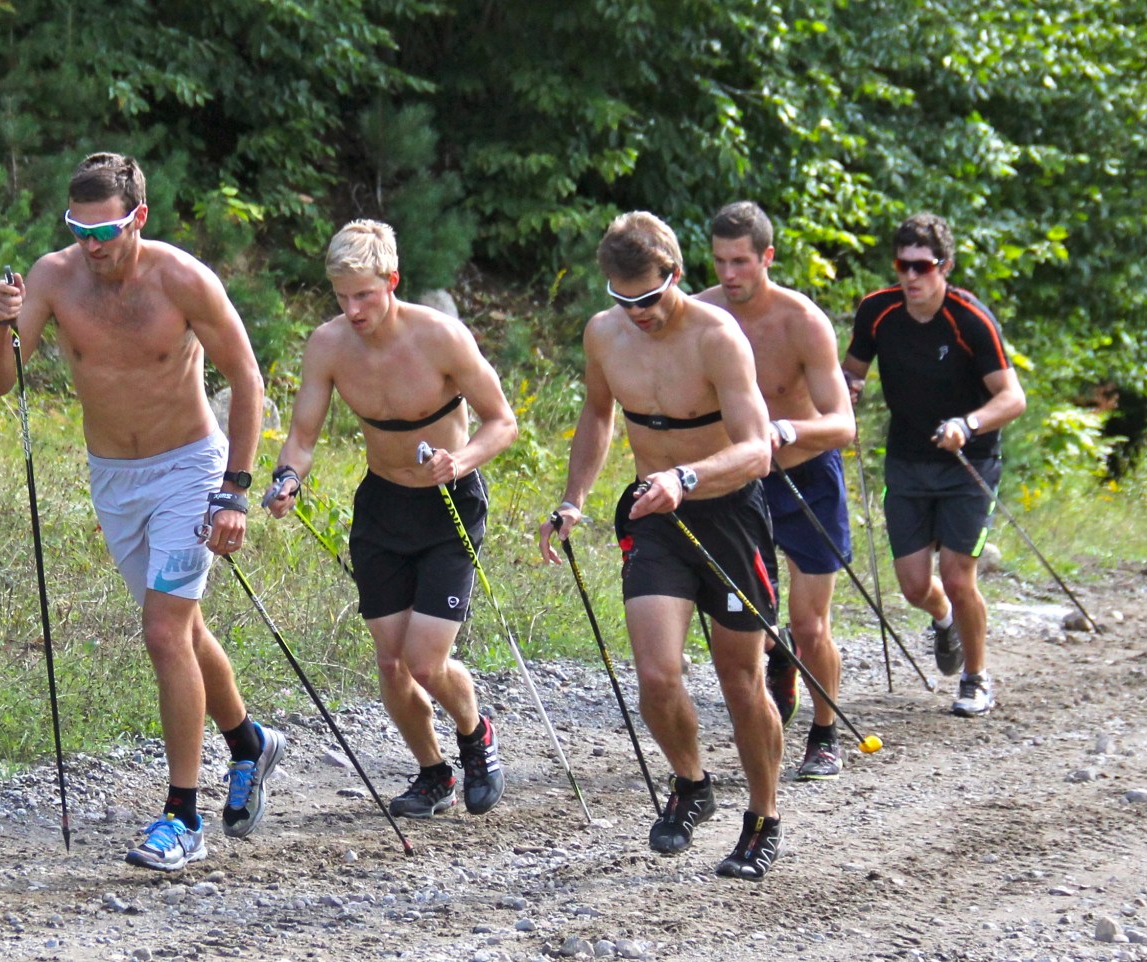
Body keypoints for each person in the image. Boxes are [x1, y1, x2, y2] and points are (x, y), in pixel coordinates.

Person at [0, 152, 285, 871]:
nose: (93, 245)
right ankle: (249, 742)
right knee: (183, 627)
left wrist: (234, 490)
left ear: (138, 217)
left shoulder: (181, 280)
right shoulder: (54, 277)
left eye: (107, 230)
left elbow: (245, 375)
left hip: (189, 468)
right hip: (114, 476)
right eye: (79, 230)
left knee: (161, 631)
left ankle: (183, 815)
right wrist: (0, 325)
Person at [539, 211, 784, 881]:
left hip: (728, 514)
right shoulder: (604, 334)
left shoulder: (717, 337)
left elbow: (758, 450)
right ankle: (691, 783)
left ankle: (762, 817)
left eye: (648, 299)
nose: (637, 314)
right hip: (656, 515)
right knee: (656, 676)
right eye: (622, 301)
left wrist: (688, 475)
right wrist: (573, 500)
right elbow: (597, 415)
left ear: (674, 276)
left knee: (740, 679)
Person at [265, 219, 517, 820]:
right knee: (391, 662)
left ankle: (475, 731)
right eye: (341, 296)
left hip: (449, 506)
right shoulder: (328, 345)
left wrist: (463, 461)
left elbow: (502, 421)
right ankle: (433, 774)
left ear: (392, 282)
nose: (352, 309)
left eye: (364, 295)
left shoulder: (441, 338)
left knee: (426, 661)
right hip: (381, 508)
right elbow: (302, 434)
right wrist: (287, 479)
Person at [696, 201, 856, 780]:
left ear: (767, 257)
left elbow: (844, 424)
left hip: (808, 476)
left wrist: (788, 428)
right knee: (752, 624)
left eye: (740, 261)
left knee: (812, 625)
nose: (728, 274)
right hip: (742, 485)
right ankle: (777, 655)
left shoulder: (803, 321)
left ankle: (825, 731)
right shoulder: (702, 316)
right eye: (719, 260)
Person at [842, 212, 1026, 716]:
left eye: (922, 266)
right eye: (903, 265)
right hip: (906, 459)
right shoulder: (878, 312)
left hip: (969, 460)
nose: (910, 277)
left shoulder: (969, 319)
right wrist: (848, 390)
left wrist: (968, 425)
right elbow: (850, 371)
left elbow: (1012, 398)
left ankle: (975, 677)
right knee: (915, 585)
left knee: (959, 572)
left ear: (945, 266)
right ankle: (943, 619)